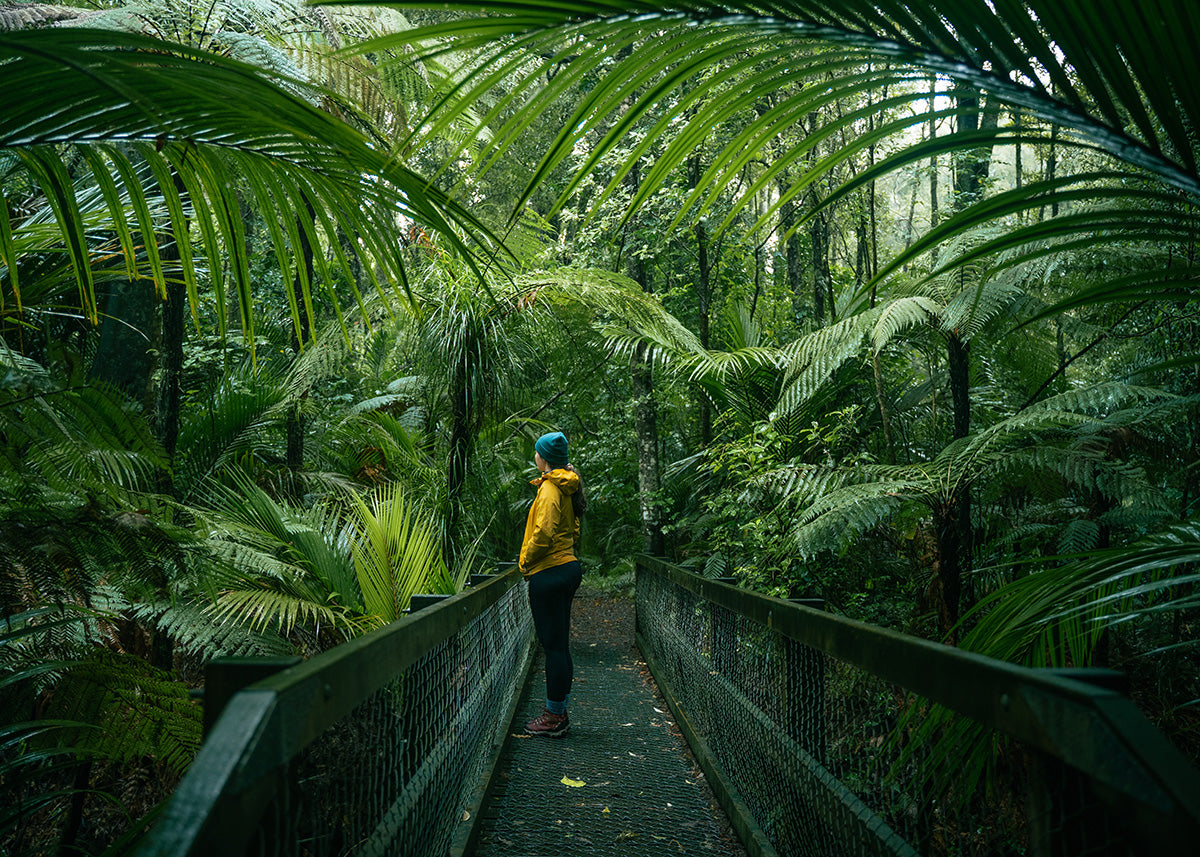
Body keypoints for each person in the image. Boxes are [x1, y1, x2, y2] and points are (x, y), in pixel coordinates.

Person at [520, 431, 586, 737]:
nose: (535, 456)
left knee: (554, 647)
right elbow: (572, 531)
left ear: (542, 457)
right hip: (567, 566)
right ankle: (558, 712)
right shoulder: (566, 485)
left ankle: (554, 717)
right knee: (559, 646)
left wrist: (525, 563)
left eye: (536, 452)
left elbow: (543, 535)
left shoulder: (549, 490)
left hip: (550, 571)